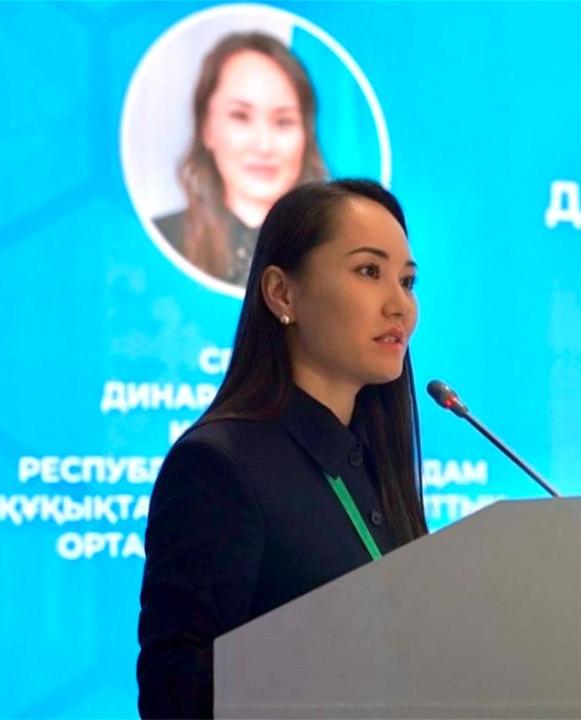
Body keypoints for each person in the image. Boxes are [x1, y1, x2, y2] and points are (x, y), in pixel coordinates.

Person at [137, 179, 427, 719]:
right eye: (369, 271)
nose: (400, 306)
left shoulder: (373, 467)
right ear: (282, 294)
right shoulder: (218, 467)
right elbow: (174, 691)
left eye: (407, 282)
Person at [155, 32, 327, 288]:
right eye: (240, 117)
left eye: (283, 121)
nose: (264, 145)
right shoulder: (163, 239)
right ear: (206, 128)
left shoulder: (336, 246)